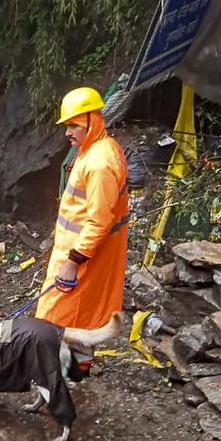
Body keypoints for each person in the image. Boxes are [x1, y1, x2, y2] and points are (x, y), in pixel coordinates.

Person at [36, 87, 129, 335]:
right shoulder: (94, 150)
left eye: (73, 126)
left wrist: (74, 260)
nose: (67, 133)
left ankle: (63, 371)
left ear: (92, 120)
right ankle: (69, 370)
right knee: (77, 321)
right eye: (67, 126)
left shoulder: (100, 163)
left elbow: (100, 220)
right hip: (77, 251)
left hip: (83, 256)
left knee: (54, 322)